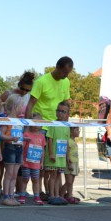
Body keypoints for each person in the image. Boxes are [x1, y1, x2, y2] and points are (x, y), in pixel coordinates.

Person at [24, 56, 73, 200]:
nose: (66, 76)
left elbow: (66, 102)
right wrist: (28, 126)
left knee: (55, 165)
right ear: (57, 67)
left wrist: (67, 125)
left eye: (68, 73)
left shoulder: (66, 82)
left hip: (58, 126)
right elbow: (31, 103)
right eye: (64, 72)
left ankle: (52, 193)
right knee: (42, 163)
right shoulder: (42, 82)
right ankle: (41, 193)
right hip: (42, 126)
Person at [0, 94, 26, 206]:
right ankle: (6, 196)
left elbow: (19, 135)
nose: (22, 107)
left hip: (18, 147)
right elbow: (1, 135)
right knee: (9, 173)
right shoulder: (7, 120)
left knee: (15, 174)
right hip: (10, 147)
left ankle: (11, 195)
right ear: (15, 106)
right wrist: (10, 138)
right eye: (21, 105)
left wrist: (24, 139)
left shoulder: (20, 121)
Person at [44, 101, 70, 205]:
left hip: (61, 156)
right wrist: (51, 153)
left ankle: (57, 195)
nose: (60, 113)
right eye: (58, 110)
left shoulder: (67, 126)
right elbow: (49, 139)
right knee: (53, 175)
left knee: (58, 176)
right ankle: (51, 195)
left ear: (67, 114)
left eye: (63, 111)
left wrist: (67, 156)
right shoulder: (53, 124)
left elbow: (67, 142)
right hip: (54, 155)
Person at [20, 113, 46, 205]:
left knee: (36, 180)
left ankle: (37, 196)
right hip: (26, 163)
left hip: (36, 164)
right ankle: (22, 195)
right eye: (34, 123)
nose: (36, 126)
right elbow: (22, 148)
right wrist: (21, 159)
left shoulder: (42, 137)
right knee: (25, 179)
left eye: (38, 123)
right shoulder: (26, 134)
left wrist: (42, 162)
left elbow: (42, 150)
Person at [60, 127, 80, 204]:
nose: (79, 131)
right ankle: (61, 196)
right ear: (71, 132)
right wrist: (69, 164)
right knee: (68, 181)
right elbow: (67, 153)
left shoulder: (74, 141)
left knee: (71, 182)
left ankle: (69, 196)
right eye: (77, 130)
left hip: (75, 163)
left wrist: (77, 166)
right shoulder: (68, 141)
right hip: (70, 163)